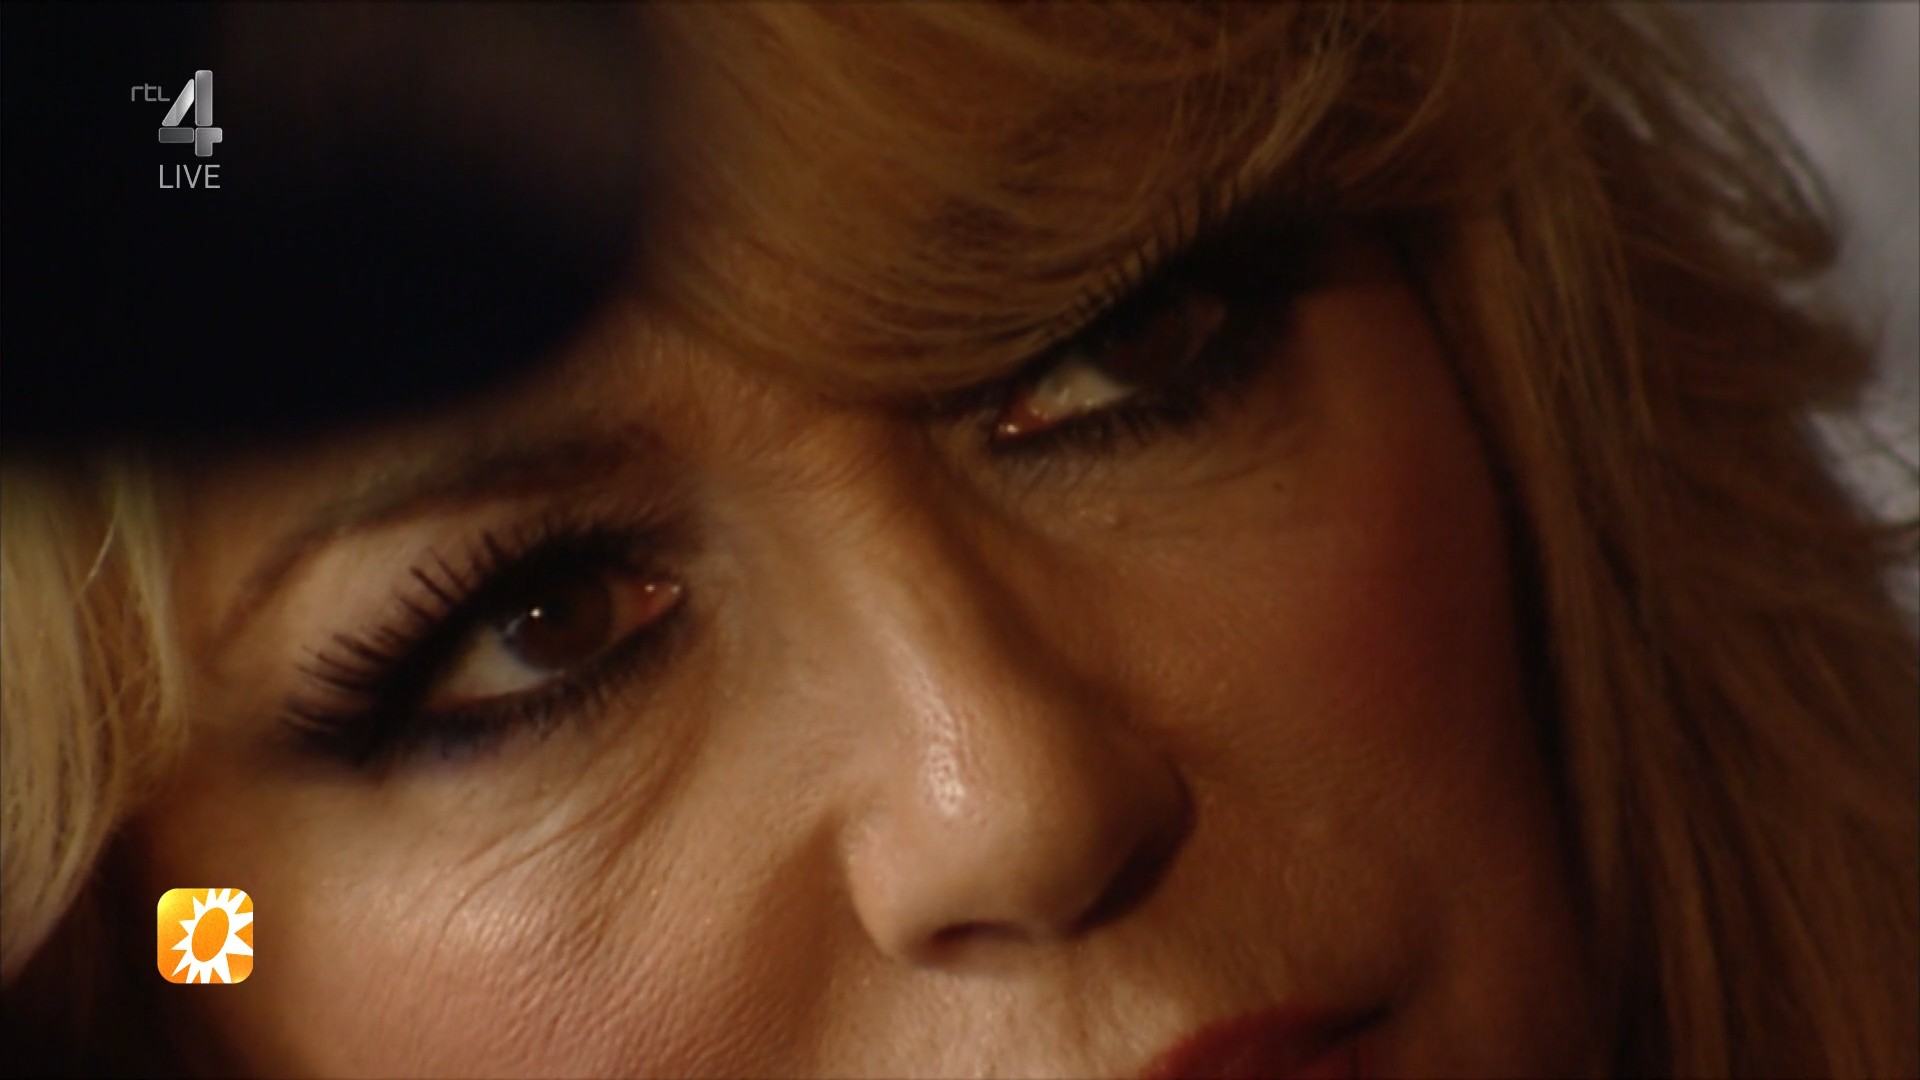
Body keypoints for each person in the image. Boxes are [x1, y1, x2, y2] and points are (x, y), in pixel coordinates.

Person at [3, 4, 1914, 1076]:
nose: (1015, 797)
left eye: (1120, 354)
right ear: (162, 980)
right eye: (541, 622)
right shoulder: (188, 956)